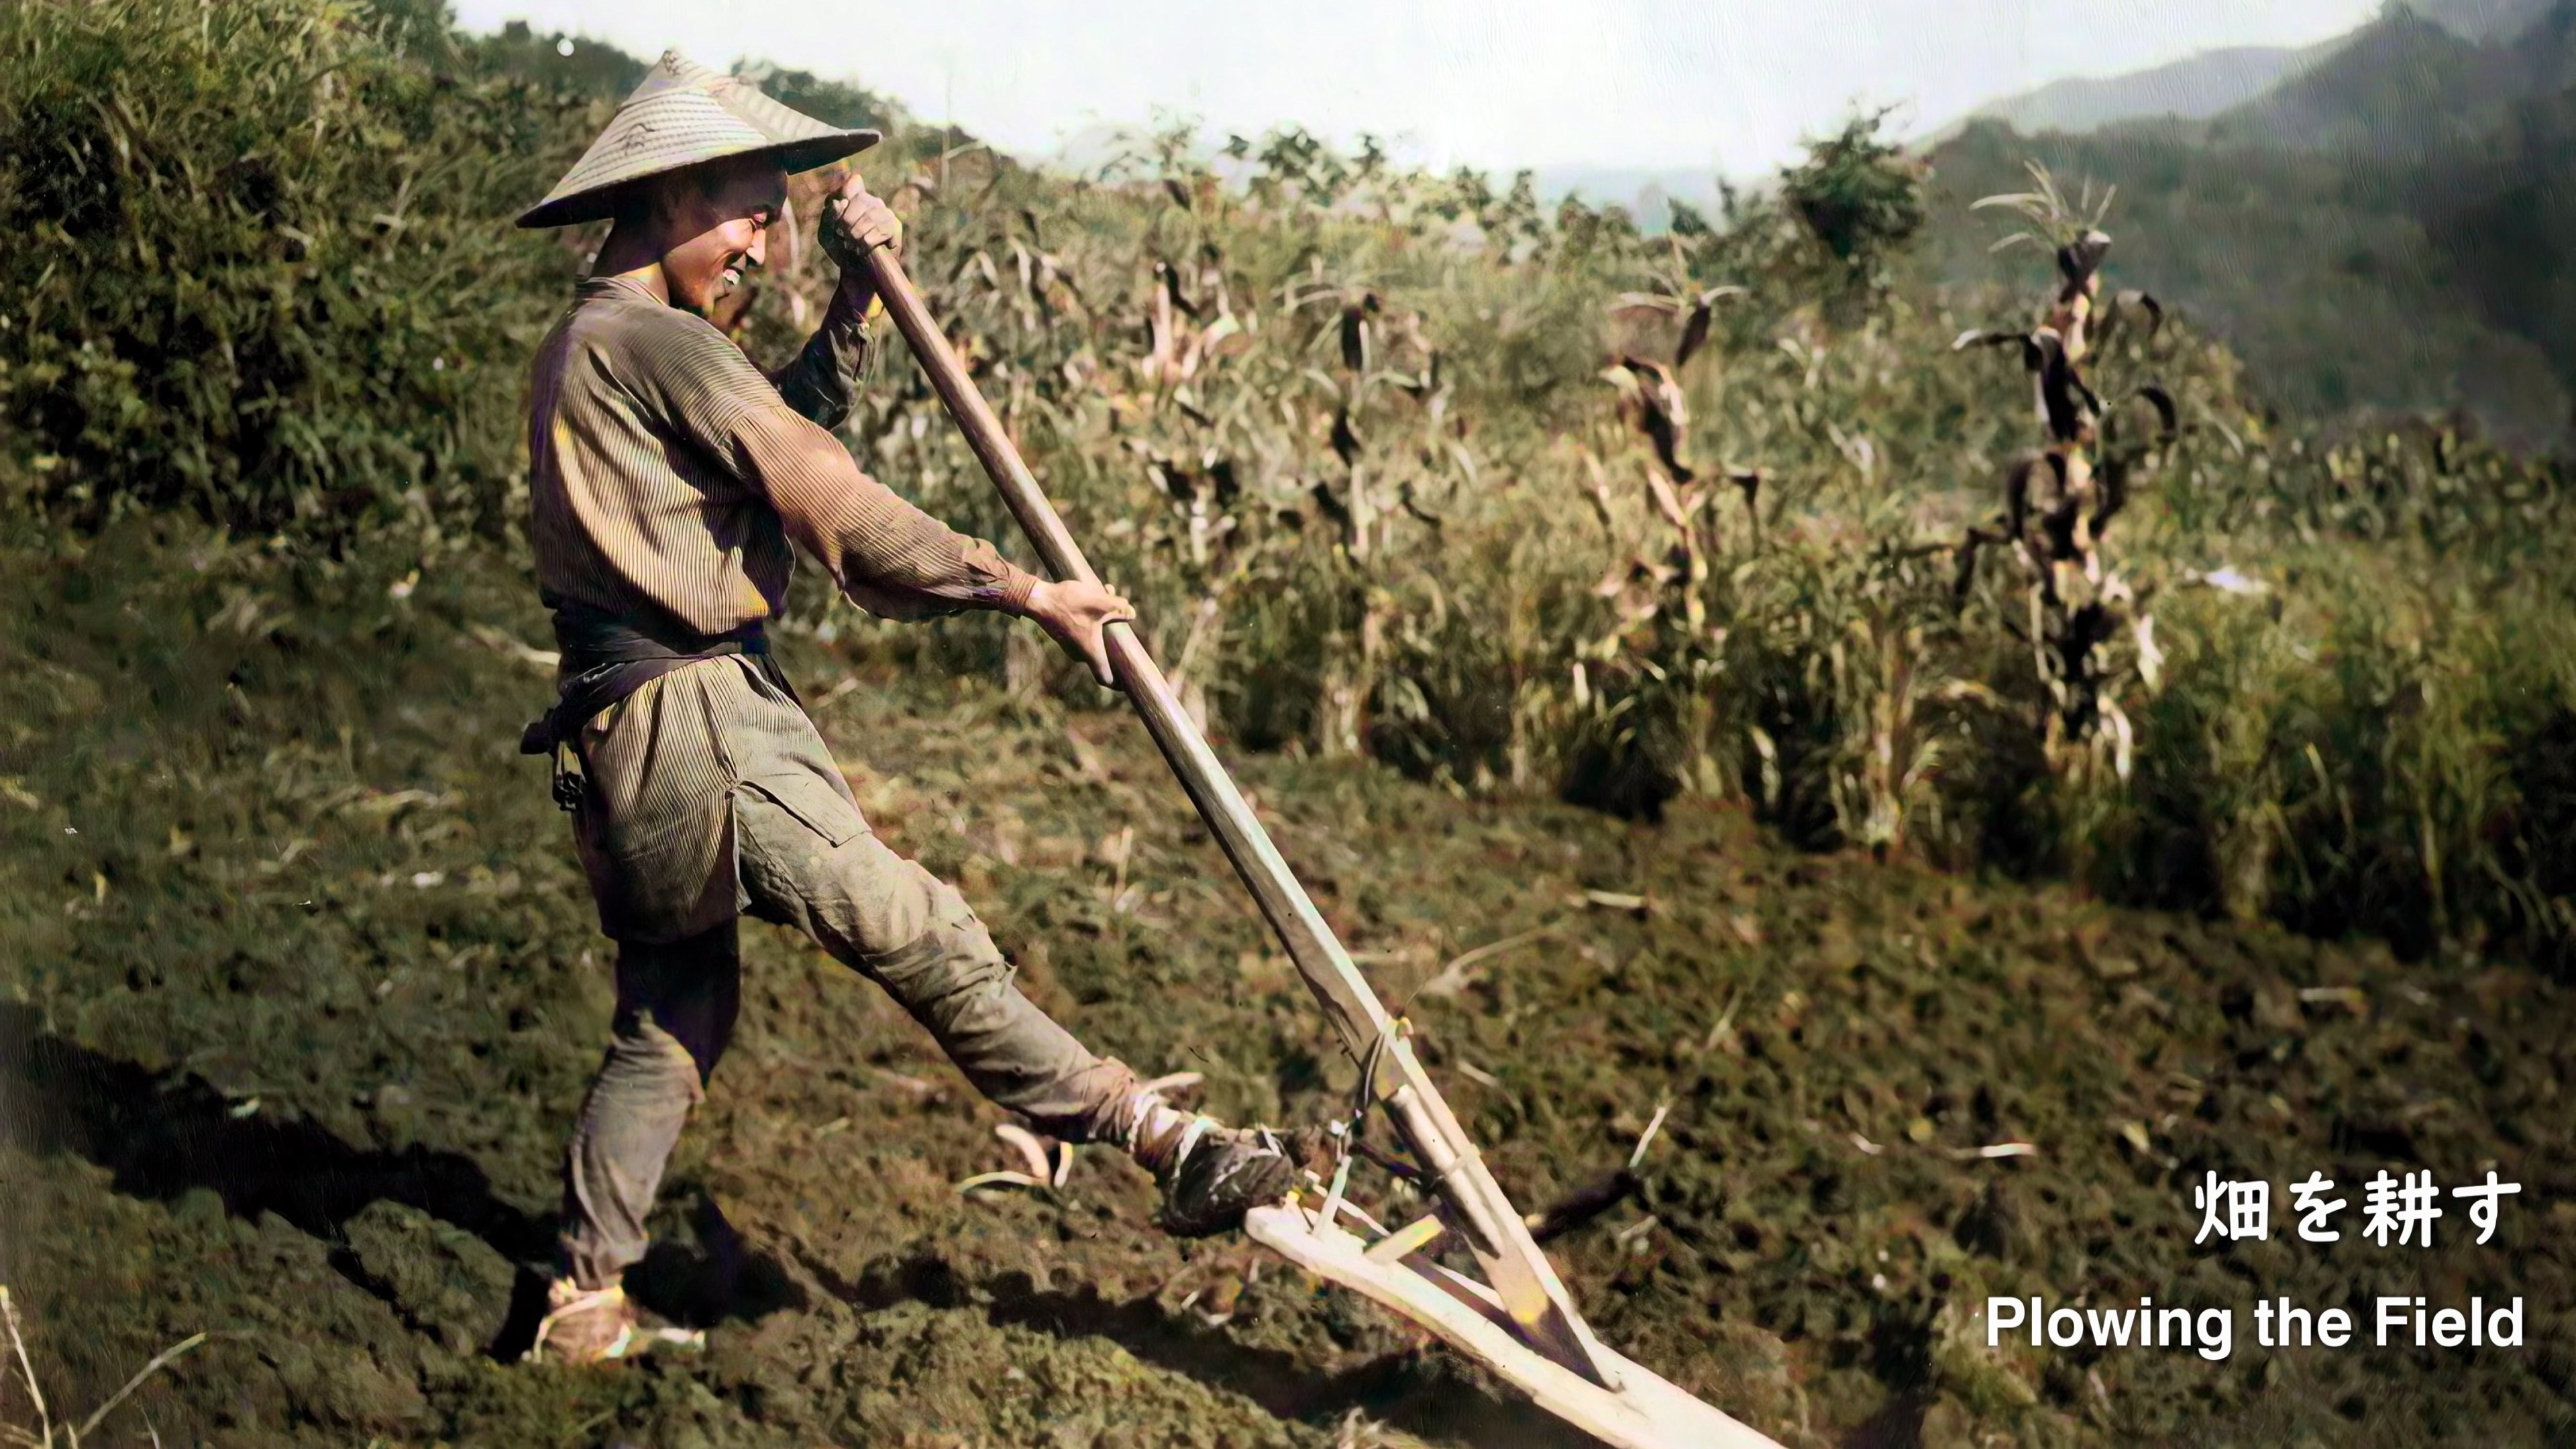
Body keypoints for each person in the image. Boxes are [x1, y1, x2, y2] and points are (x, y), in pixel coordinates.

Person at [510, 51, 1295, 1365]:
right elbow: (839, 509)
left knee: (673, 1018)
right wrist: (1025, 592)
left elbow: (765, 441)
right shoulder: (651, 341)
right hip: (695, 715)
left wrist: (855, 308)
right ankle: (1163, 1140)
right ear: (667, 197)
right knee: (911, 921)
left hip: (621, 735)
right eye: (748, 209)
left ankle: (581, 1300)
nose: (761, 240)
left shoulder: (599, 342)